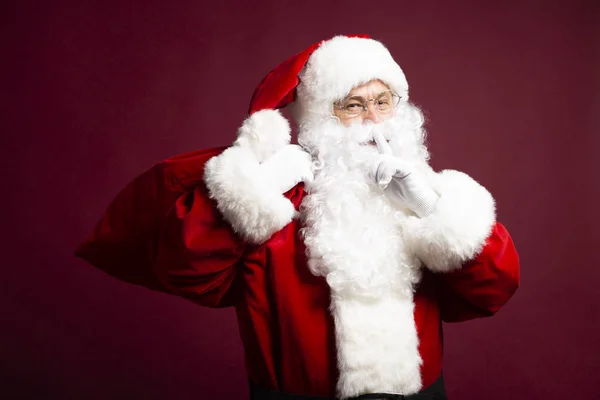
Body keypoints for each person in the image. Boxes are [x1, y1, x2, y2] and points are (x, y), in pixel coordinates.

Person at [76, 34, 520, 400]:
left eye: (383, 102)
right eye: (352, 105)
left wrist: (431, 209)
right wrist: (258, 188)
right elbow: (185, 271)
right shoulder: (277, 208)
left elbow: (493, 291)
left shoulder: (426, 194)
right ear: (319, 119)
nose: (373, 120)